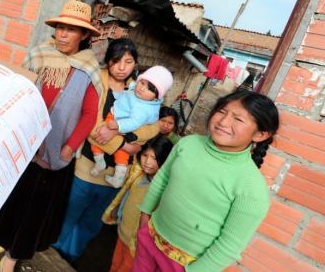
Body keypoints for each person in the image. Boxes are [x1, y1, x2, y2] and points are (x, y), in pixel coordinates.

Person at [0, 0, 103, 272]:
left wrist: (69, 147)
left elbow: (90, 115)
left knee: (31, 209)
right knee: (10, 196)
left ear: (85, 36)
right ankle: (1, 235)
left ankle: (13, 254)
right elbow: (20, 88)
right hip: (24, 144)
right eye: (60, 28)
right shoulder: (40, 55)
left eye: (71, 30)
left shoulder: (88, 68)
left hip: (54, 151)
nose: (63, 34)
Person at [131, 91, 279, 272]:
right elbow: (162, 179)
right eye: (222, 111)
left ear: (261, 134)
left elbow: (229, 245)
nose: (223, 122)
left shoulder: (251, 188)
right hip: (151, 236)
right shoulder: (188, 144)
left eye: (238, 119)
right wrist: (145, 215)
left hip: (186, 265)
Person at [52, 38, 160, 263]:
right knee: (68, 215)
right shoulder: (96, 80)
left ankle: (70, 258)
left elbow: (153, 126)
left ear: (135, 64)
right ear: (108, 61)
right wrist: (122, 144)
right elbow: (89, 121)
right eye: (116, 61)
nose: (122, 67)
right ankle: (51, 255)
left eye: (128, 62)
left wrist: (134, 140)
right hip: (87, 165)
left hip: (115, 173)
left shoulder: (141, 88)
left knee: (91, 222)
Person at [90, 66, 173, 187]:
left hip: (119, 122)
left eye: (149, 89)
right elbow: (129, 91)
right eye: (142, 82)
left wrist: (118, 126)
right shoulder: (137, 90)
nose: (142, 88)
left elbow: (134, 123)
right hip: (120, 121)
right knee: (112, 148)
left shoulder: (142, 108)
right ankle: (108, 168)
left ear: (156, 96)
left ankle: (110, 170)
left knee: (111, 148)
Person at [102, 136, 173, 272]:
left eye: (154, 158)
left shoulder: (163, 189)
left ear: (165, 160)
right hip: (123, 233)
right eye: (145, 155)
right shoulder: (138, 174)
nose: (147, 162)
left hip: (138, 245)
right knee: (115, 264)